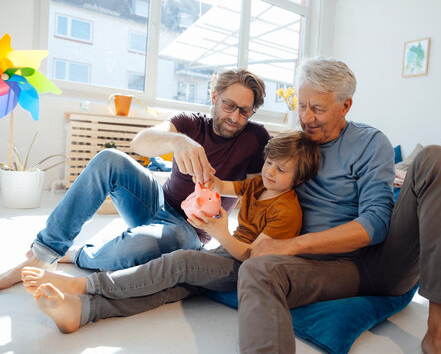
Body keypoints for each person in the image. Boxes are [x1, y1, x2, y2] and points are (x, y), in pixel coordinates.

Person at [235, 57, 441, 354]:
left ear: (345, 106)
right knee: (256, 270)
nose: (306, 118)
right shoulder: (295, 145)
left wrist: (293, 245)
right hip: (325, 271)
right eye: (301, 105)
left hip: (379, 263)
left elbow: (376, 223)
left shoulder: (370, 142)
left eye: (318, 109)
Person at [21, 130, 321, 334]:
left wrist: (219, 232)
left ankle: (87, 287)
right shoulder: (259, 184)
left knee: (178, 262)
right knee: (167, 290)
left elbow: (255, 257)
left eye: (281, 170)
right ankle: (83, 311)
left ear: (299, 178)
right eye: (269, 163)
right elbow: (225, 186)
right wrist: (206, 183)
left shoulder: (287, 210)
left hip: (244, 268)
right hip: (223, 253)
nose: (270, 172)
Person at [0, 68, 270, 289]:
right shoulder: (190, 123)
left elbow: (257, 192)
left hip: (189, 230)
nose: (235, 117)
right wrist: (176, 140)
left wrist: (230, 222)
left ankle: (77, 255)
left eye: (244, 111)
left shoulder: (256, 138)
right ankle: (44, 255)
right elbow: (140, 143)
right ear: (214, 97)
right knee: (109, 158)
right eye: (229, 105)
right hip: (157, 202)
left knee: (147, 244)